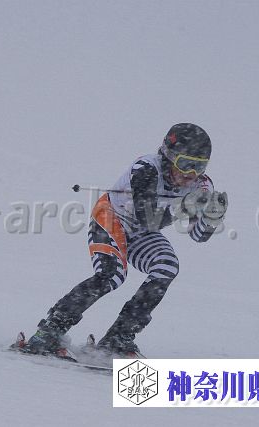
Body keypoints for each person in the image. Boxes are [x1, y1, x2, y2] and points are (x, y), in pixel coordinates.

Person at [22, 123, 227, 358]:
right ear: (169, 156)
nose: (190, 174)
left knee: (166, 266)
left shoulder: (202, 186)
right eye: (185, 164)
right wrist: (184, 206)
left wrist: (211, 219)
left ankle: (119, 336)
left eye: (199, 166)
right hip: (111, 219)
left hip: (142, 232)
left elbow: (197, 235)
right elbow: (147, 217)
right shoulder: (146, 168)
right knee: (112, 275)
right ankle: (50, 330)